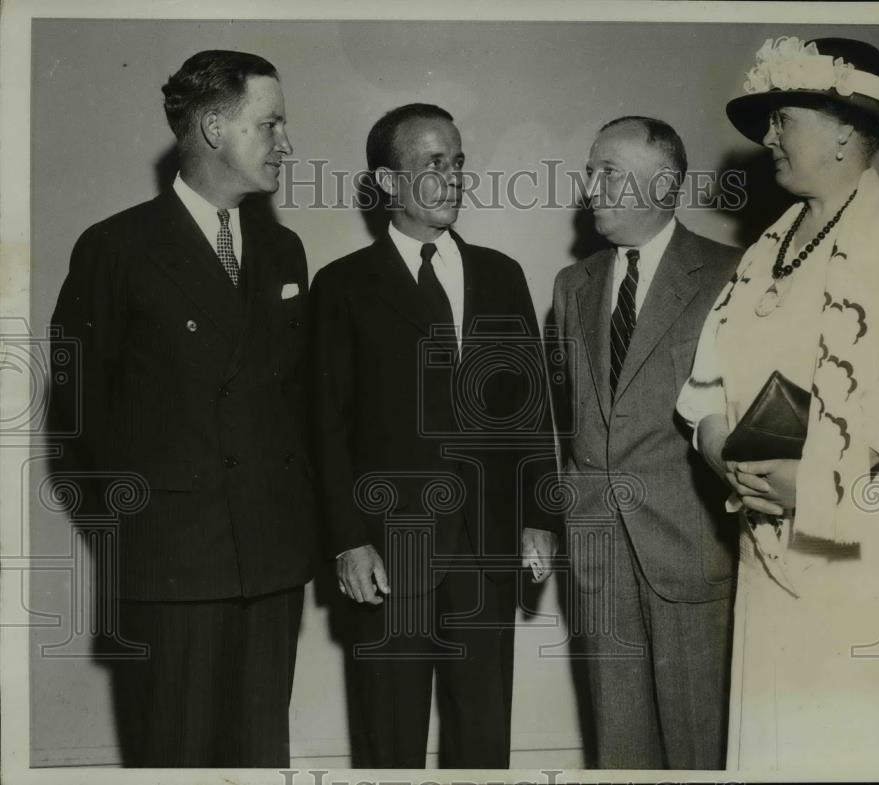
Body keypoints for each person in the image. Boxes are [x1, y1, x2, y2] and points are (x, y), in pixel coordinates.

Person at [677, 37, 879, 777]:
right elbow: (709, 381)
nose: (768, 138)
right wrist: (724, 455)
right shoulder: (765, 250)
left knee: (867, 741)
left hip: (872, 541)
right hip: (771, 543)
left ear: (847, 129)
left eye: (783, 119)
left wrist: (807, 480)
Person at [48, 50, 318, 767]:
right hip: (172, 574)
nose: (287, 144)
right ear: (211, 127)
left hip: (271, 568)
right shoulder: (117, 249)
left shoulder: (285, 250)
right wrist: (143, 529)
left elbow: (294, 406)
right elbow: (77, 423)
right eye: (271, 124)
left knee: (262, 761)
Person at [309, 103, 561, 768]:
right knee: (387, 741)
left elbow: (530, 410)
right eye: (431, 164)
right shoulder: (341, 288)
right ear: (389, 183)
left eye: (456, 163)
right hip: (389, 553)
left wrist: (540, 515)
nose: (451, 178)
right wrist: (346, 539)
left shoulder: (501, 275)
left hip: (486, 546)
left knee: (482, 740)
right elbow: (324, 427)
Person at [551, 116, 741, 769]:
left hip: (691, 549)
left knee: (700, 741)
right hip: (598, 554)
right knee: (620, 745)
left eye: (608, 170)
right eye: (591, 168)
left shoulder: (730, 275)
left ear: (662, 184)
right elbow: (566, 416)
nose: (590, 185)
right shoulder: (571, 286)